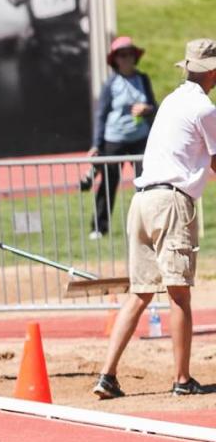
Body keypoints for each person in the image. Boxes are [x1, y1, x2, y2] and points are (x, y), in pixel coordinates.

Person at [92, 39, 216, 400]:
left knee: (139, 294)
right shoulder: (204, 107)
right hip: (170, 203)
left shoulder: (174, 100)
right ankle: (181, 378)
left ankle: (107, 375)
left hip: (142, 200)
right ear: (211, 72)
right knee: (179, 295)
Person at [88, 36, 156, 239]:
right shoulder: (111, 84)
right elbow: (101, 114)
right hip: (114, 140)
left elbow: (155, 107)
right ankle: (99, 227)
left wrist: (147, 109)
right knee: (108, 183)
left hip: (140, 139)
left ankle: (148, 225)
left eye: (130, 54)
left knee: (146, 183)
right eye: (122, 55)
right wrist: (96, 144)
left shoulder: (143, 79)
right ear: (115, 59)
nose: (127, 58)